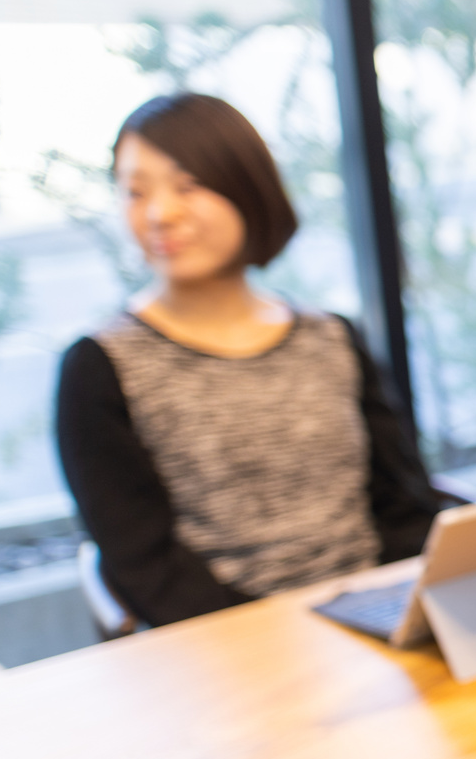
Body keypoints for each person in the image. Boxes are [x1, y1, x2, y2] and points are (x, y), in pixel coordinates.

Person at [55, 93, 441, 628]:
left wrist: (413, 613)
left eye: (187, 186)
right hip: (223, 648)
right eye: (135, 192)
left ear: (246, 187)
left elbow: (403, 505)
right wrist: (279, 638)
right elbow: (145, 565)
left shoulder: (331, 337)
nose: (160, 214)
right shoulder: (100, 366)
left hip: (377, 620)